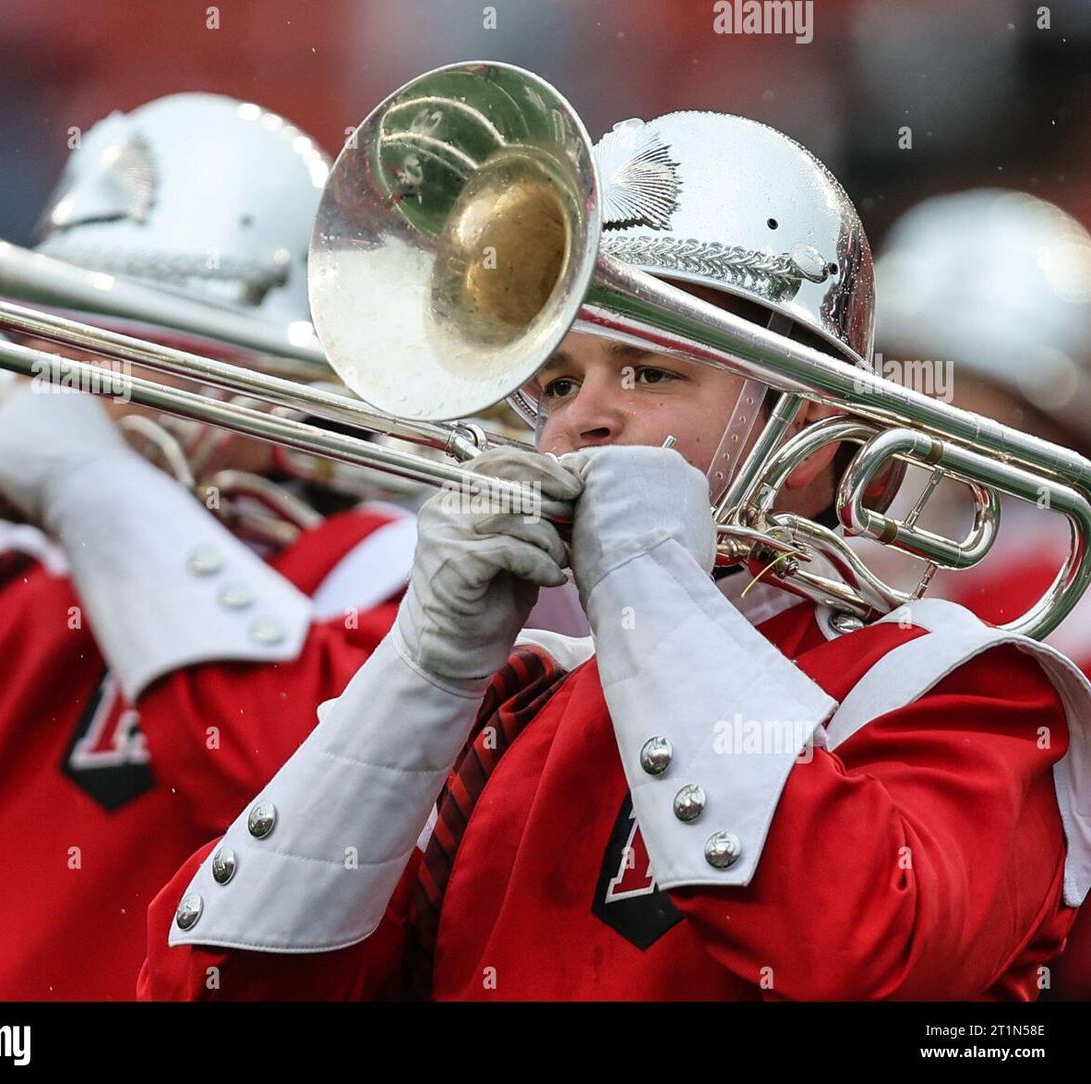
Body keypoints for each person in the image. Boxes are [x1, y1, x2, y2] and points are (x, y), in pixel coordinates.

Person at [139, 111, 1091, 1001]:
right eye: (557, 381)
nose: (582, 415)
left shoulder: (963, 687)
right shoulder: (511, 709)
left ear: (808, 422)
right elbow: (208, 984)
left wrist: (645, 571)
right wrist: (423, 675)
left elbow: (865, 950)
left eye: (650, 372)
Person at [0, 92, 419, 1000]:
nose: (71, 389)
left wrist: (94, 489)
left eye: (139, 352)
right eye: (56, 346)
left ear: (282, 371)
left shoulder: (381, 566)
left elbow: (321, 824)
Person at [872, 188, 1091, 998]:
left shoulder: (1071, 604)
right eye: (913, 371)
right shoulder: (859, 533)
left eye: (974, 382)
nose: (935, 406)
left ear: (1045, 416)